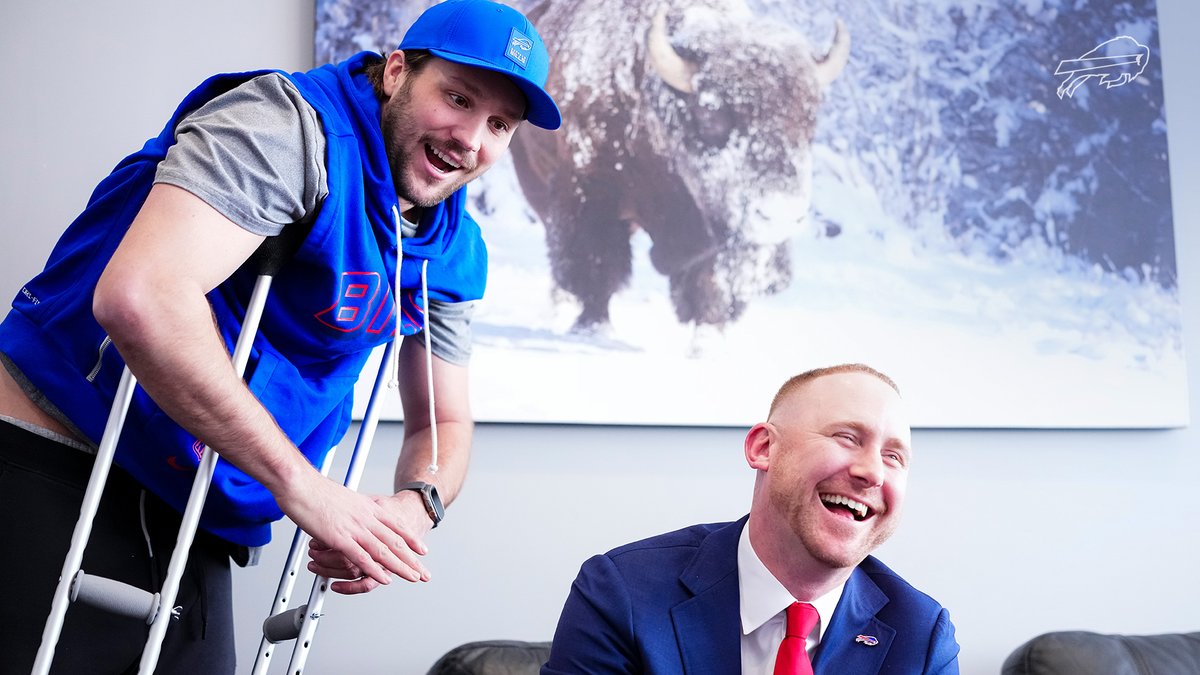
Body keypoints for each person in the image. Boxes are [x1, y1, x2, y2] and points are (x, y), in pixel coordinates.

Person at [0, 1, 560, 672]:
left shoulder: (450, 246)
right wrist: (306, 489)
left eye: (498, 123)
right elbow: (141, 298)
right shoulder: (285, 127)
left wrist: (414, 508)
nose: (470, 138)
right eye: (458, 98)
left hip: (198, 504)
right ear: (397, 71)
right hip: (59, 453)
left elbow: (443, 420)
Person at [541, 364, 960, 674]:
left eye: (894, 457)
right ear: (763, 448)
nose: (873, 471)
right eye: (846, 438)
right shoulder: (622, 593)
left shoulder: (921, 636)